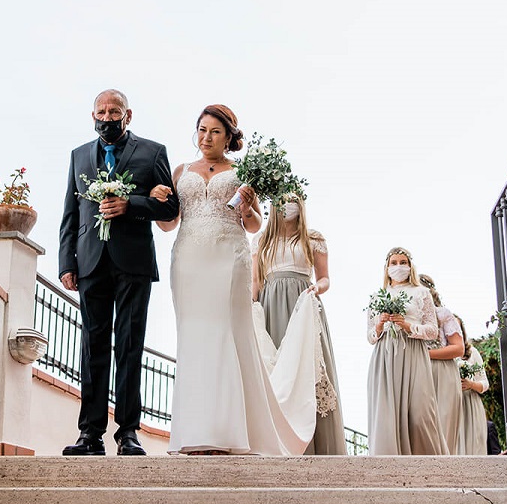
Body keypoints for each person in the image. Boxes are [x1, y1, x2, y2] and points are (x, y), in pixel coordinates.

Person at [150, 104, 318, 455]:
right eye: (201, 130)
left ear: (228, 136)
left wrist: (246, 209)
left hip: (230, 258)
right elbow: (169, 224)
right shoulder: (181, 170)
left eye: (213, 131)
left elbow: (256, 225)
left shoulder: (242, 172)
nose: (205, 138)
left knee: (228, 333)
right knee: (194, 336)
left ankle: (228, 432)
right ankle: (195, 432)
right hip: (189, 260)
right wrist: (156, 203)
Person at [58, 89, 180, 456]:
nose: (107, 117)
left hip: (134, 263)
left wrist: (132, 204)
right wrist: (67, 262)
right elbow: (70, 213)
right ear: (92, 114)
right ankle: (89, 434)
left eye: (115, 111)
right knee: (91, 347)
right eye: (102, 111)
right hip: (91, 262)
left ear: (129, 115)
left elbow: (170, 207)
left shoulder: (152, 152)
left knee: (129, 346)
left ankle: (128, 432)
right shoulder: (79, 156)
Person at [252, 193, 346, 454]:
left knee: (308, 368)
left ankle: (315, 445)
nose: (288, 204)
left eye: (293, 199)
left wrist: (317, 288)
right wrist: (251, 307)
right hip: (271, 305)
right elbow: (255, 281)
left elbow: (325, 278)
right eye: (282, 199)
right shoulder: (261, 240)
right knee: (275, 371)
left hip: (302, 304)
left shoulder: (313, 238)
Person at [366, 246, 447, 456]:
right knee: (387, 415)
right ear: (386, 268)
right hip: (385, 356)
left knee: (421, 415)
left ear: (410, 266)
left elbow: (433, 331)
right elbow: (369, 337)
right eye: (394, 263)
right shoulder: (378, 296)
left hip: (414, 353)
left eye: (403, 262)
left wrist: (408, 326)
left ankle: (431, 463)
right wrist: (379, 325)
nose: (398, 267)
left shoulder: (422, 292)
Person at [421, 274, 463, 455]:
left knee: (444, 422)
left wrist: (425, 354)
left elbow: (459, 348)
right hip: (419, 372)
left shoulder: (443, 314)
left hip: (444, 371)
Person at [455, 316, 491, 456]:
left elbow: (485, 383)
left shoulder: (472, 353)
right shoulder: (441, 352)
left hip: (470, 403)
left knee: (474, 443)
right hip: (451, 403)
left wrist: (471, 384)